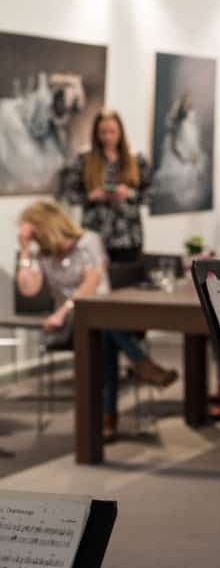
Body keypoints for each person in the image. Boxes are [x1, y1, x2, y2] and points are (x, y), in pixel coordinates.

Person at [16, 200, 178, 439]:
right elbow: (28, 289)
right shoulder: (42, 254)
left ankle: (108, 417)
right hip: (69, 325)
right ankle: (141, 364)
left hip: (98, 314)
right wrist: (25, 251)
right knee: (104, 327)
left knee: (103, 332)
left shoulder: (88, 241)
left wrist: (64, 310)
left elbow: (92, 284)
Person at [61, 109, 152, 262]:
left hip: (129, 237)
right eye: (103, 132)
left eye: (112, 132)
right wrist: (91, 196)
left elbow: (149, 194)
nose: (108, 137)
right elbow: (69, 194)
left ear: (120, 132)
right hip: (95, 235)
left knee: (127, 275)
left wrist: (128, 193)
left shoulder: (136, 160)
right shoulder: (84, 160)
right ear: (96, 134)